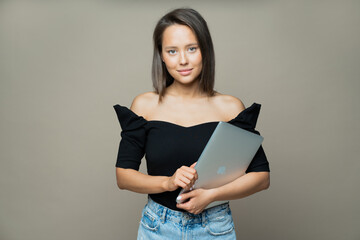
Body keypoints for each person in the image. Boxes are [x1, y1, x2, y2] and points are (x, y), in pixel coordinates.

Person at [113, 8, 270, 239]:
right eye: (172, 51)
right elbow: (123, 176)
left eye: (192, 49)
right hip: (157, 227)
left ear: (205, 51)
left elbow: (261, 177)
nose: (183, 60)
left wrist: (211, 195)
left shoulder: (229, 107)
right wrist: (168, 182)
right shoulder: (145, 105)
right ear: (162, 55)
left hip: (214, 227)